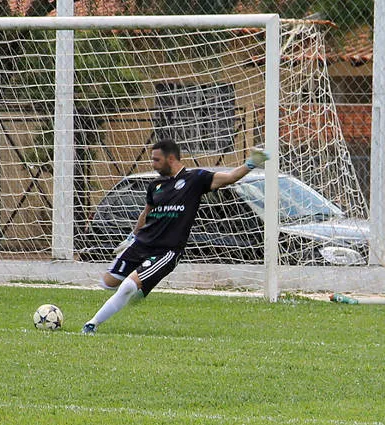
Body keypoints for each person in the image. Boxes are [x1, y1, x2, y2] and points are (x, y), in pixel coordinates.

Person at [82, 139, 268, 334]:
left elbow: (229, 177)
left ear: (171, 159)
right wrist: (131, 237)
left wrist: (251, 163)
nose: (152, 164)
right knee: (108, 282)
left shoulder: (196, 179)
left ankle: (91, 324)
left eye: (156, 160)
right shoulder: (155, 185)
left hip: (167, 250)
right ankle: (141, 288)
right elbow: (145, 214)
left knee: (128, 286)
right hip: (141, 244)